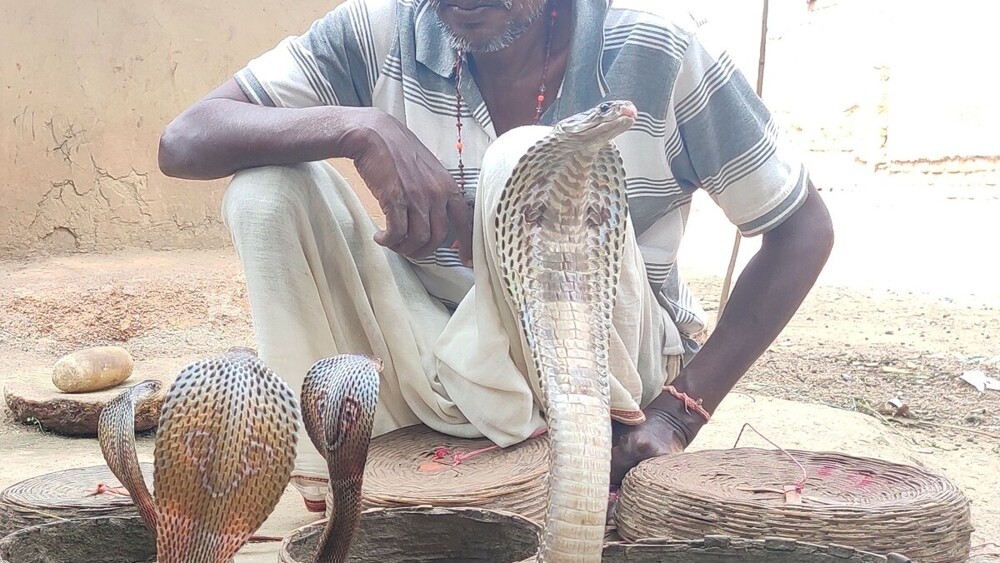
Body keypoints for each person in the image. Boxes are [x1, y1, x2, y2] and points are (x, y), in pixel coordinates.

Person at [158, 0, 834, 512]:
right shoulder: (382, 30)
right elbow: (186, 137)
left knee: (522, 157)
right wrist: (357, 126)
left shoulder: (659, 50)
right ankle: (331, 491)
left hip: (606, 372)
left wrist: (678, 412)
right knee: (266, 192)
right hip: (439, 354)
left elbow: (802, 229)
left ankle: (589, 462)